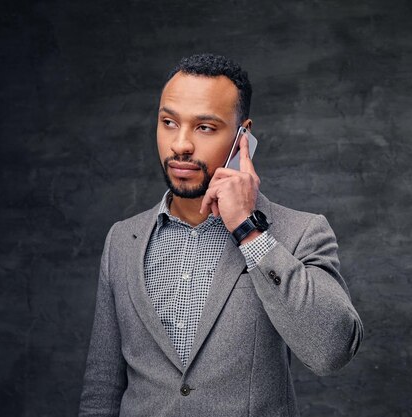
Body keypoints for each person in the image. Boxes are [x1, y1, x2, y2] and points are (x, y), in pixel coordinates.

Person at [79, 53, 363, 417]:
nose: (180, 144)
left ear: (243, 135)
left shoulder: (298, 232)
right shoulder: (122, 239)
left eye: (204, 128)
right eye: (168, 122)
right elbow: (102, 387)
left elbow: (333, 350)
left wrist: (249, 231)